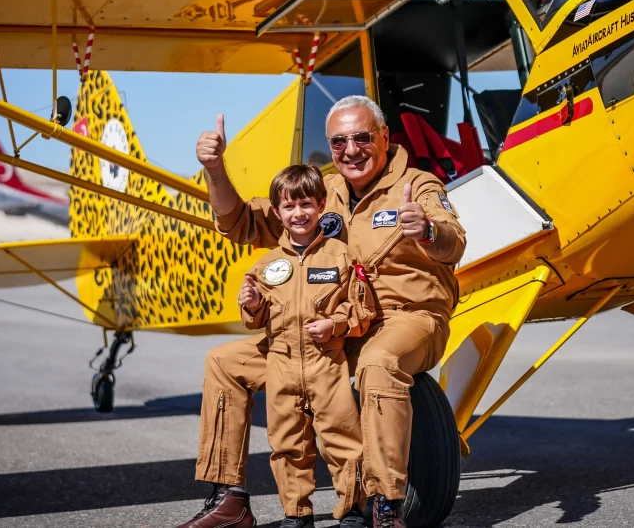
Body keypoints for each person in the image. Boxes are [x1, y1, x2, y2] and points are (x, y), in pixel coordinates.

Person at [179, 96, 466, 528]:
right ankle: (230, 499)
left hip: (403, 319)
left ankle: (386, 506)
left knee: (379, 362)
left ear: (385, 137)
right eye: (338, 142)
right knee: (225, 362)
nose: (351, 150)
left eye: (362, 137)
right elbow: (241, 222)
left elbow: (454, 243)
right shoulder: (321, 192)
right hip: (328, 331)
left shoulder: (418, 186)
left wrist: (425, 229)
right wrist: (215, 169)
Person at [237, 164, 374, 528]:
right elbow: (256, 316)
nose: (299, 214)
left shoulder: (340, 256)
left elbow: (361, 306)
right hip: (281, 364)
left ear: (322, 205)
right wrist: (251, 303)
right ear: (277, 212)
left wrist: (336, 325)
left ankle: (352, 510)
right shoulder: (266, 266)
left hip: (326, 363)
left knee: (343, 440)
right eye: (289, 207)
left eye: (306, 205)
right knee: (287, 443)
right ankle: (296, 513)